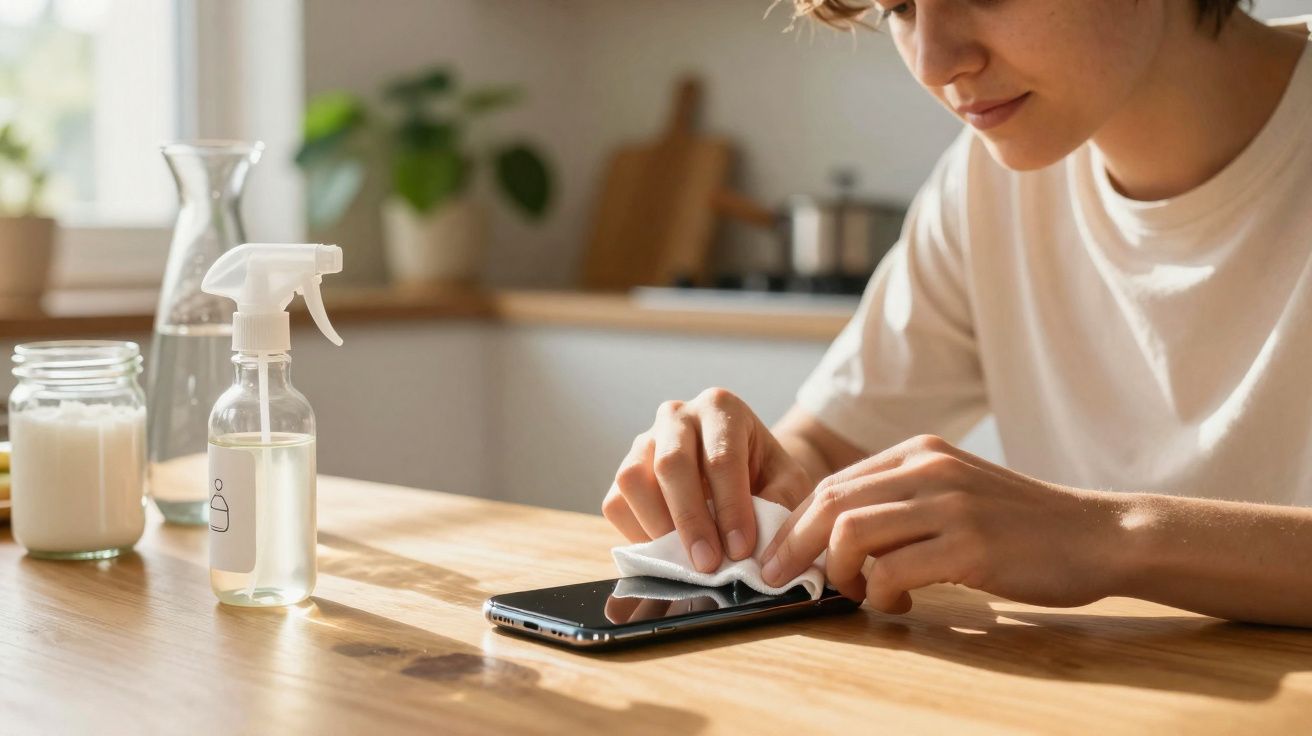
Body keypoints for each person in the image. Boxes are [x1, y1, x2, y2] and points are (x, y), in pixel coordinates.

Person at [601, 0, 1312, 627]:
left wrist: (1110, 535)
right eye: (900, 7)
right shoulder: (983, 184)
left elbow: (1093, 536)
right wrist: (742, 484)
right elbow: (824, 453)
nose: (936, 63)